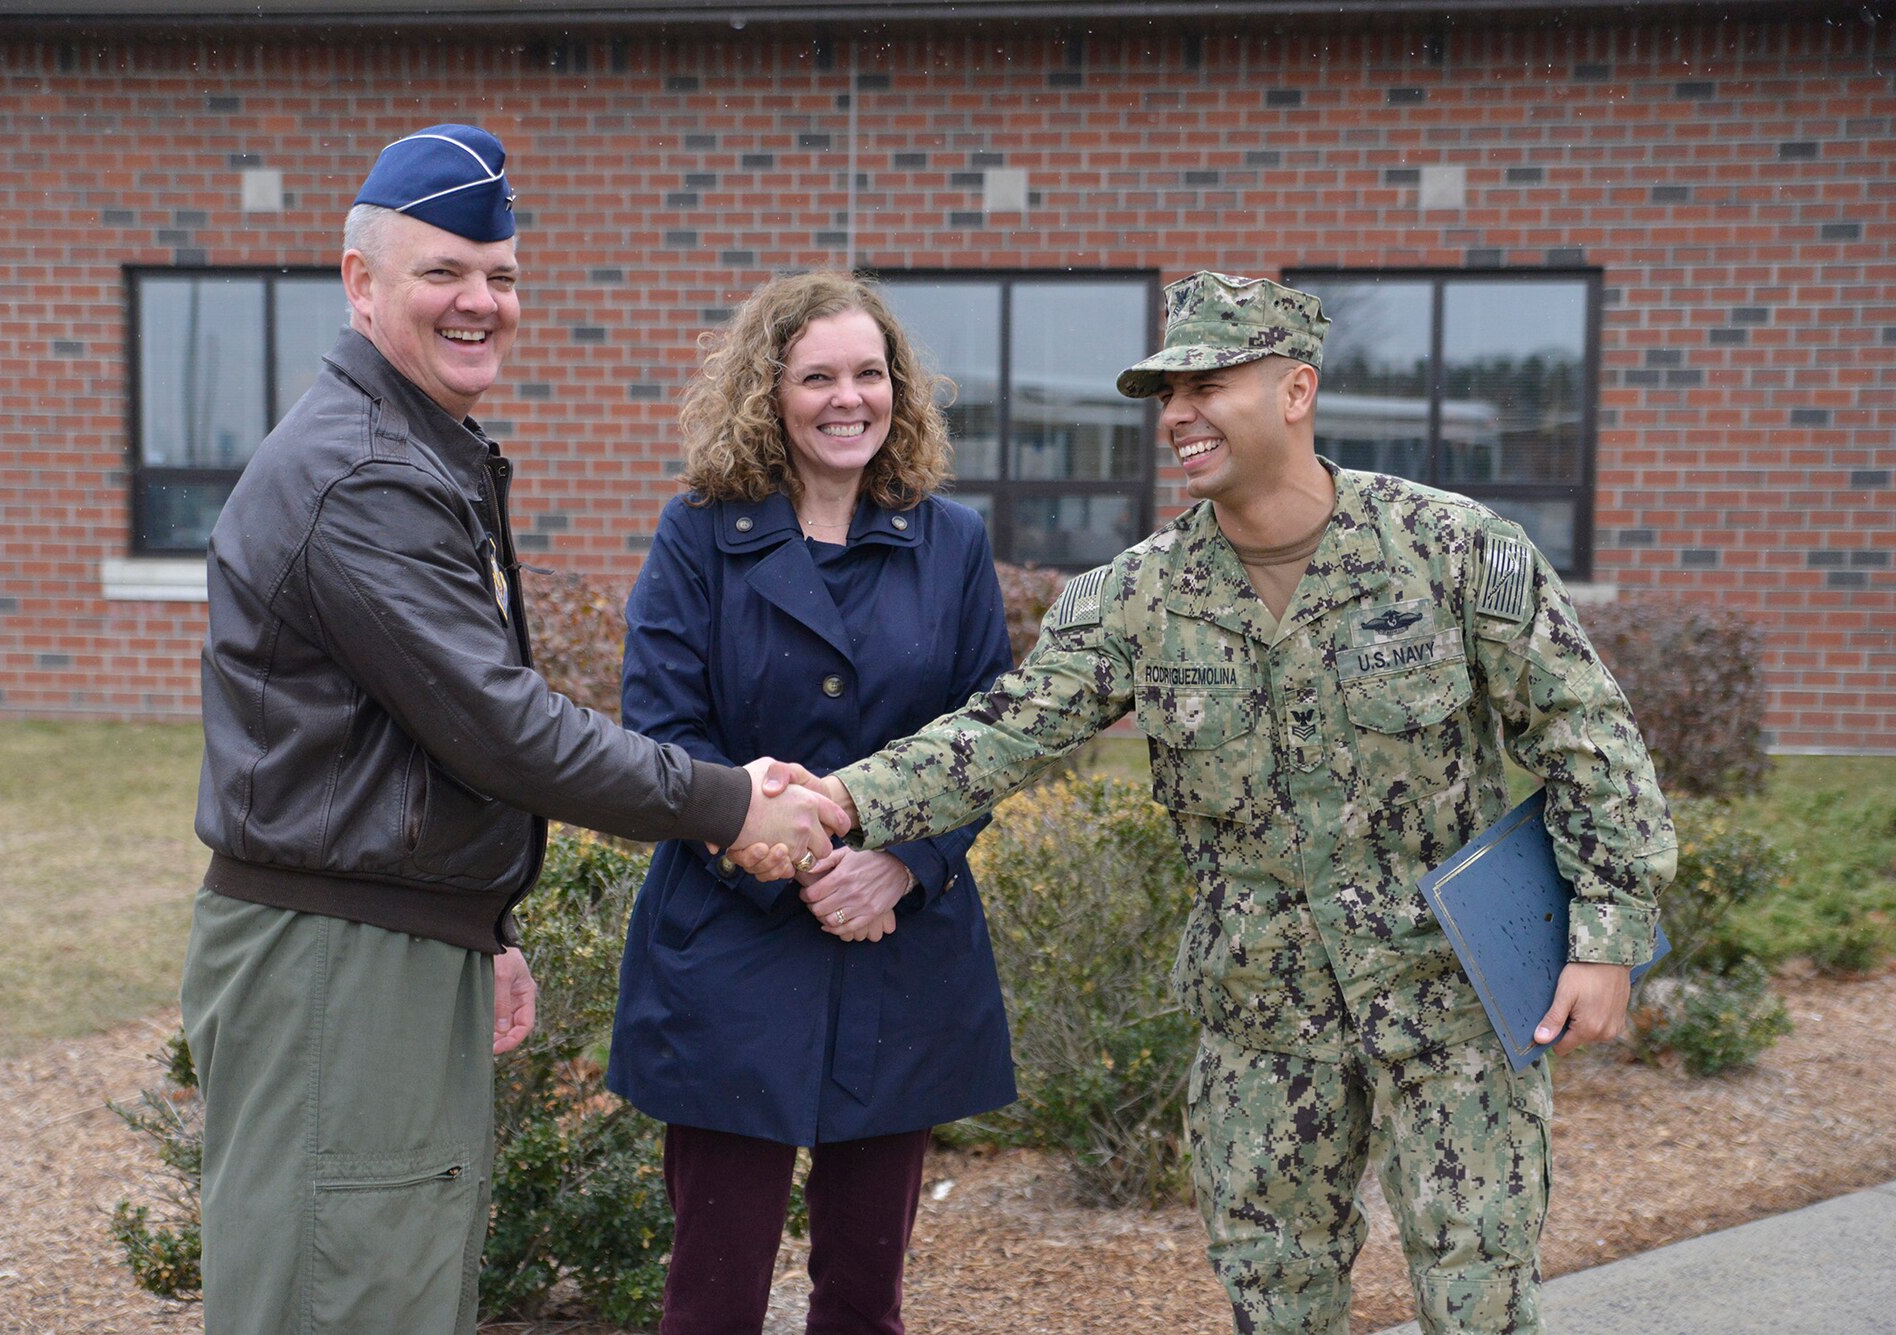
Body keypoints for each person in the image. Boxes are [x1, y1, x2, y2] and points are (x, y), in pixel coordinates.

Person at [812, 272, 1677, 1334]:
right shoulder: (1136, 595)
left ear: (1294, 390)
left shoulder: (1451, 550)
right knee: (1274, 1300)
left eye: (1205, 385)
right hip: (1261, 1024)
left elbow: (1588, 742)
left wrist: (1604, 938)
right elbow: (997, 732)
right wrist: (831, 803)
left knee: (1478, 1297)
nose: (1175, 415)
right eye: (1164, 395)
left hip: (1447, 1007)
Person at [181, 125, 845, 1335]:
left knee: (389, 1275)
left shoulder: (409, 446)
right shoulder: (364, 473)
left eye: (501, 275)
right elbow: (501, 727)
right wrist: (732, 804)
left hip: (374, 940)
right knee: (345, 1293)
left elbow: (421, 735)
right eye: (443, 272)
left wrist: (466, 916)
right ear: (361, 283)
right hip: (337, 964)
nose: (480, 301)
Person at [606, 271, 1018, 1335]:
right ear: (768, 392)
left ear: (899, 390)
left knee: (862, 1301)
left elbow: (984, 735)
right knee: (713, 1291)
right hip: (732, 944)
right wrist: (778, 853)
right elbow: (662, 730)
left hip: (897, 942)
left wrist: (902, 865)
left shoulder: (953, 543)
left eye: (869, 374)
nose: (848, 399)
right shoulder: (698, 535)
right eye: (817, 376)